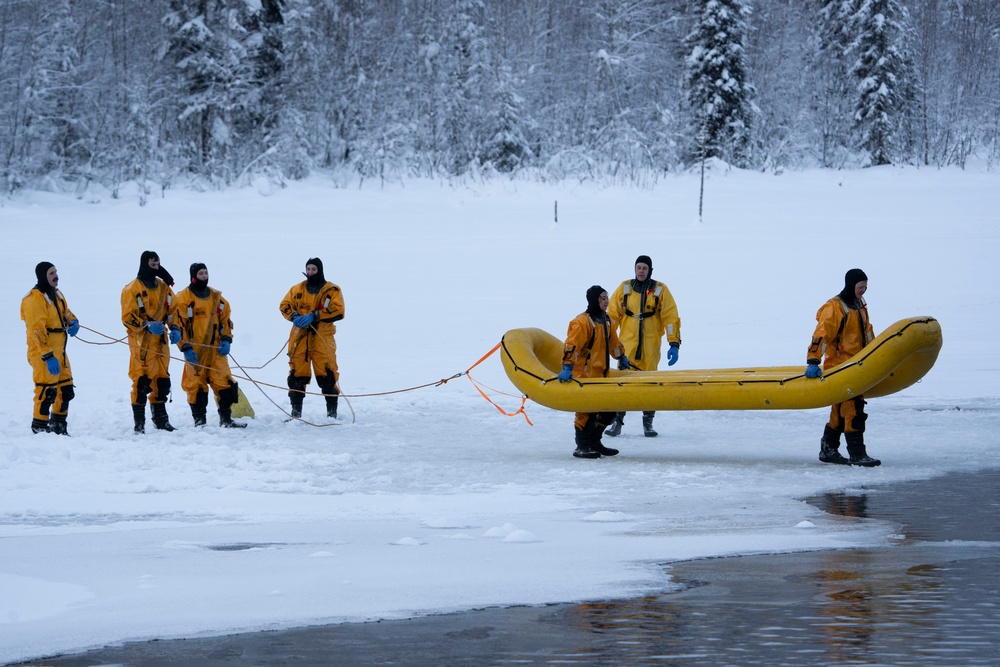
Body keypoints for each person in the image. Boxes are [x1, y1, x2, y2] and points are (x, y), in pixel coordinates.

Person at [805, 268, 880, 467]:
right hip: (841, 367)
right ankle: (857, 453)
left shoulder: (859, 305)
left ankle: (828, 449)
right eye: (860, 286)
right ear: (850, 285)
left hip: (858, 364)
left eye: (865, 287)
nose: (863, 290)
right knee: (853, 409)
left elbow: (868, 333)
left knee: (839, 411)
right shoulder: (835, 308)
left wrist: (877, 357)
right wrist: (813, 360)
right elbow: (822, 334)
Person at [606, 255, 681, 438]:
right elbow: (613, 315)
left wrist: (674, 342)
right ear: (634, 269)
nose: (641, 271)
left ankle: (648, 424)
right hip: (627, 345)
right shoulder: (625, 288)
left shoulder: (660, 290)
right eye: (638, 267)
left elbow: (670, 317)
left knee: (650, 383)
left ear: (650, 270)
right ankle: (618, 423)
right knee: (623, 382)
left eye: (644, 268)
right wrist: (605, 333)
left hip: (650, 345)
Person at [558, 286, 630, 459]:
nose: (606, 301)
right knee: (586, 412)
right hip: (585, 375)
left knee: (609, 410)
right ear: (594, 300)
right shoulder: (582, 322)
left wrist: (622, 357)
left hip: (602, 376)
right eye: (603, 298)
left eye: (607, 298)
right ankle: (582, 446)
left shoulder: (608, 321)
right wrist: (567, 366)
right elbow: (572, 345)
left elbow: (614, 343)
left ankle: (595, 442)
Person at [172, 263, 246, 428]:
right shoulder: (183, 299)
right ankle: (200, 421)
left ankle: (226, 419)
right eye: (201, 273)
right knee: (196, 388)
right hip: (195, 352)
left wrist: (226, 339)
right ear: (193, 276)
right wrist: (185, 347)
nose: (204, 276)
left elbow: (225, 321)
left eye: (206, 273)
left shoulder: (217, 298)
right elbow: (178, 324)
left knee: (225, 384)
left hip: (216, 351)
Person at [121, 251, 180, 433]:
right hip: (142, 343)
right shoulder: (132, 289)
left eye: (158, 265)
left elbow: (173, 310)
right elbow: (127, 318)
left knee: (162, 381)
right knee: (141, 382)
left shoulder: (163, 288)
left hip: (161, 343)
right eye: (153, 265)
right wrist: (145, 325)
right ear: (144, 264)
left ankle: (161, 420)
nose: (156, 268)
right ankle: (139, 424)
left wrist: (175, 327)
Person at [279, 258, 345, 419]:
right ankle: (296, 413)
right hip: (300, 339)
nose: (310, 272)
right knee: (296, 375)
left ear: (320, 270)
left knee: (327, 374)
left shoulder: (332, 290)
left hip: (322, 339)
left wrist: (316, 316)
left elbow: (338, 310)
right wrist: (294, 315)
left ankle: (332, 413)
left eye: (313, 269)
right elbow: (284, 305)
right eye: (308, 269)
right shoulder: (297, 289)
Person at [20, 262, 79, 435]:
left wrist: (73, 321)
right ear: (43, 276)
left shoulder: (57, 294)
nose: (56, 276)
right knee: (47, 391)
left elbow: (66, 312)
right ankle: (39, 427)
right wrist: (47, 356)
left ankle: (58, 426)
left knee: (66, 390)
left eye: (56, 272)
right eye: (51, 273)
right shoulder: (34, 300)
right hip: (42, 353)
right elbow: (37, 331)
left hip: (60, 351)